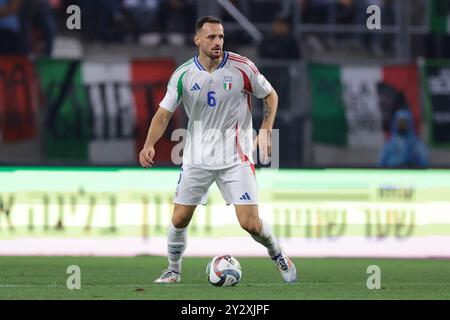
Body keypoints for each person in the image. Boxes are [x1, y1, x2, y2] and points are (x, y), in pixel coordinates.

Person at [139, 16, 297, 284]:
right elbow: (163, 115)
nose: (218, 42)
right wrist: (149, 144)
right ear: (197, 40)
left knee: (251, 224)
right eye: (211, 37)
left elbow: (271, 95)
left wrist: (266, 129)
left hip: (235, 158)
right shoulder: (183, 75)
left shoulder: (242, 68)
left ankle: (277, 253)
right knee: (179, 219)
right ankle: (173, 270)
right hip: (196, 157)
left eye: (221, 36)